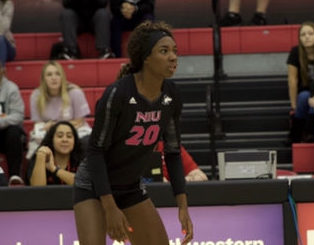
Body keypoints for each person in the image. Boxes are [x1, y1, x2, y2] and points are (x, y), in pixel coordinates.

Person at [73, 21, 193, 245]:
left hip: (130, 186)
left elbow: (173, 152)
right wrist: (109, 208)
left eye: (175, 51)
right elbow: (96, 152)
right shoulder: (117, 94)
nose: (173, 57)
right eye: (164, 51)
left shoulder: (172, 96)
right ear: (146, 57)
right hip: (94, 185)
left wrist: (183, 206)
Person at [27, 61, 91, 159]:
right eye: (49, 74)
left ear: (62, 77)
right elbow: (39, 124)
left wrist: (55, 126)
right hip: (48, 133)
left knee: (85, 142)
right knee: (37, 148)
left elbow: (79, 121)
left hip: (75, 130)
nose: (54, 78)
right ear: (43, 79)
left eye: (57, 74)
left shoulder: (75, 92)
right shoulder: (36, 95)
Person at [287, 21, 314, 144]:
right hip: (305, 91)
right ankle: (297, 135)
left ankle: (310, 133)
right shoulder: (295, 52)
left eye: (310, 33)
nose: (307, 37)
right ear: (299, 38)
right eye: (303, 34)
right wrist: (293, 105)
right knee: (304, 97)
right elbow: (292, 79)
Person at [27, 121, 83, 186]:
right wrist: (41, 157)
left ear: (75, 141)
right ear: (51, 140)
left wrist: (54, 169)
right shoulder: (41, 157)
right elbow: (37, 190)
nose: (65, 140)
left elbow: (83, 184)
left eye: (69, 136)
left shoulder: (82, 159)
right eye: (60, 136)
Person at [0, 62, 25, 186]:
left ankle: (15, 175)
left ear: (2, 71)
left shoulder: (11, 88)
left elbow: (18, 116)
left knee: (14, 131)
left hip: (6, 135)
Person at [0, 0, 16, 65]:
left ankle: (1, 73)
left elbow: (3, 28)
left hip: (7, 49)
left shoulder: (9, 5)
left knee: (0, 39)